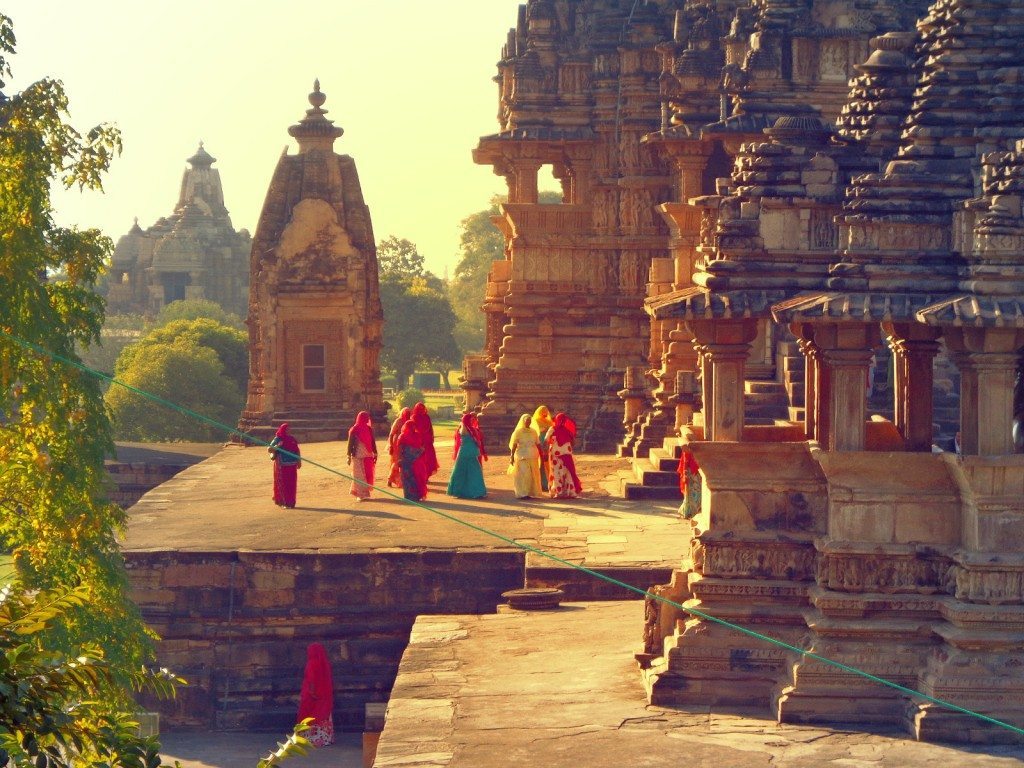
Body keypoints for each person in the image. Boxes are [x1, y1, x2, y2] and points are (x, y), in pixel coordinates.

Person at [297, 642, 334, 747]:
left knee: (310, 716)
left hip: (312, 695)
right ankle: (325, 739)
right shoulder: (325, 663)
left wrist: (312, 692)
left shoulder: (311, 663)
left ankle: (310, 740)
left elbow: (311, 679)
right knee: (323, 716)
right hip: (324, 695)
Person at [447, 413, 488, 499]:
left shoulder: (472, 430)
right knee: (461, 472)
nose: (473, 420)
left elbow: (479, 441)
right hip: (465, 453)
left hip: (470, 453)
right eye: (471, 419)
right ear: (467, 420)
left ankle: (476, 492)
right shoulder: (464, 429)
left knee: (474, 472)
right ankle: (459, 491)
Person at [546, 412, 582, 499]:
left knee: (556, 473)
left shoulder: (552, 429)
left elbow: (547, 439)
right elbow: (572, 442)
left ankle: (559, 492)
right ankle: (570, 492)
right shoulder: (567, 430)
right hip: (567, 455)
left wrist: (552, 441)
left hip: (555, 455)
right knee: (568, 473)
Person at [509, 414, 542, 499]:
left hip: (533, 455)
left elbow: (538, 444)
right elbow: (514, 445)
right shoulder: (518, 432)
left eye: (530, 421)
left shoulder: (534, 431)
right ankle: (523, 493)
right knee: (524, 475)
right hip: (522, 455)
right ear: (523, 422)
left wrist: (542, 454)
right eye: (527, 421)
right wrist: (512, 456)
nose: (528, 422)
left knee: (532, 475)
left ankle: (531, 492)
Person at [346, 411, 377, 501]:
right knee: (358, 475)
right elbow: (350, 443)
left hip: (367, 455)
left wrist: (375, 453)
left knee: (366, 475)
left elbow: (372, 442)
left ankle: (364, 493)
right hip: (357, 455)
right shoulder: (354, 429)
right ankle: (360, 494)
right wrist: (348, 455)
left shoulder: (369, 429)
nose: (368, 419)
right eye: (366, 417)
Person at [268, 423, 301, 509]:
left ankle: (291, 502)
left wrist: (299, 460)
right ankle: (284, 502)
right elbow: (269, 449)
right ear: (283, 430)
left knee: (292, 483)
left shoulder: (292, 439)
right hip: (282, 465)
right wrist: (277, 446)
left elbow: (297, 450)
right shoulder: (278, 439)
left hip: (292, 464)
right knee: (284, 483)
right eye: (287, 430)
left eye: (289, 429)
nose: (288, 431)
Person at [397, 421, 428, 501]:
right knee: (408, 478)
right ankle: (411, 496)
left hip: (415, 461)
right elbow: (400, 449)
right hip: (407, 460)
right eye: (412, 426)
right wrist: (399, 459)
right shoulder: (403, 436)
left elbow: (422, 446)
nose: (413, 428)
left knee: (417, 477)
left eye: (414, 426)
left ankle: (417, 495)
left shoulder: (416, 435)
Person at [411, 402, 439, 479]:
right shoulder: (415, 417)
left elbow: (430, 428)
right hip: (421, 440)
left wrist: (432, 437)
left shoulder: (424, 417)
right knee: (422, 458)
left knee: (428, 458)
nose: (422, 410)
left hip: (426, 440)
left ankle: (426, 475)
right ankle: (422, 475)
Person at [387, 407, 412, 487]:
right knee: (397, 463)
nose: (408, 415)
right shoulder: (398, 421)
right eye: (406, 413)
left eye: (409, 413)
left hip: (406, 445)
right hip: (397, 445)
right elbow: (391, 434)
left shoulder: (410, 422)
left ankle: (402, 480)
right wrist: (391, 445)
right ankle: (390, 479)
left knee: (404, 463)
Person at [532, 405, 555, 492]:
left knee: (548, 463)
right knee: (540, 463)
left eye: (546, 412)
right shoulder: (535, 421)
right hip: (539, 443)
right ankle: (539, 484)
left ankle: (548, 483)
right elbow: (534, 432)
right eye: (543, 413)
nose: (545, 414)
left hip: (548, 444)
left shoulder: (549, 421)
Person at [678, 448, 701, 519]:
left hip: (697, 469)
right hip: (690, 470)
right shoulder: (687, 447)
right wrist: (685, 472)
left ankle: (695, 511)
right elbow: (685, 458)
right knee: (691, 492)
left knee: (697, 491)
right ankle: (691, 512)